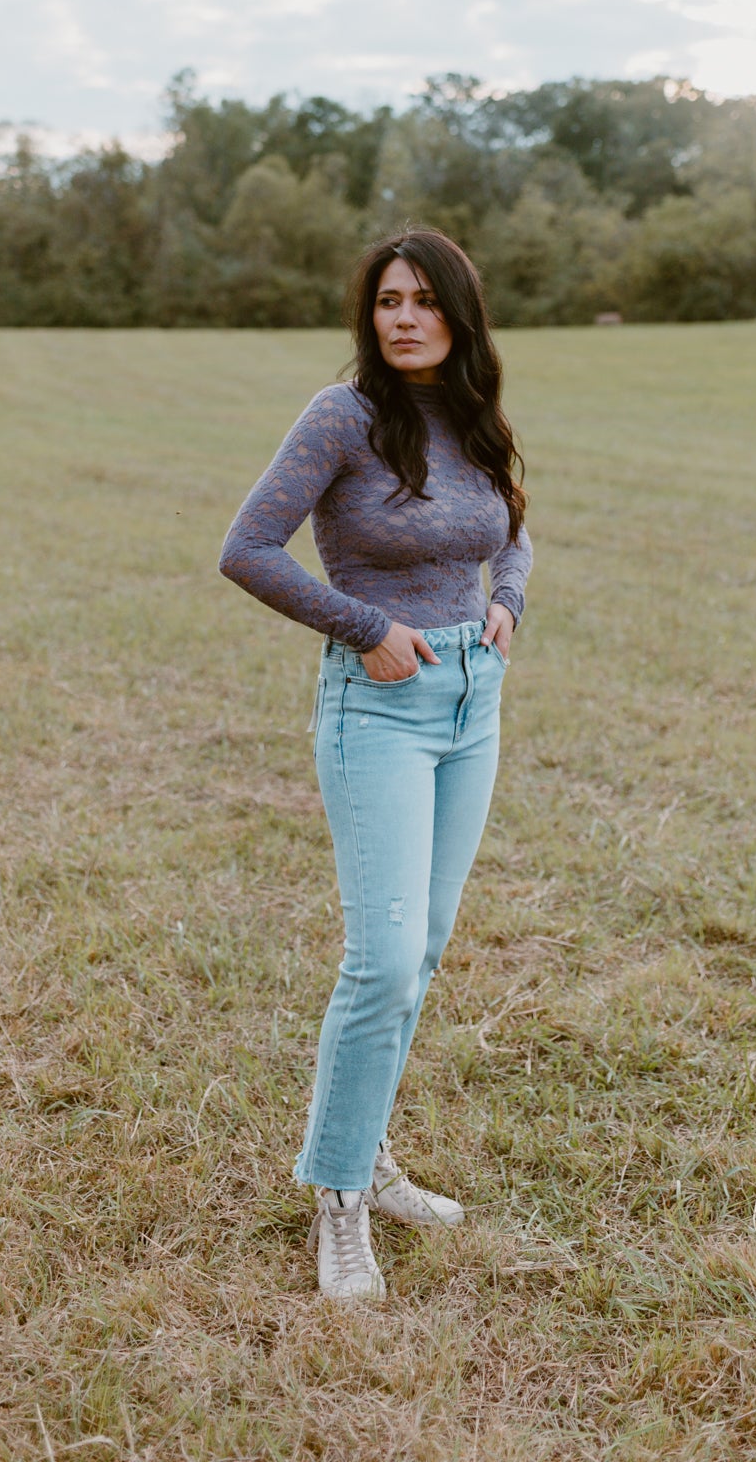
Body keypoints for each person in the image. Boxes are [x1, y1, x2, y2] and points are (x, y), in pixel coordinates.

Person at [218, 227, 533, 1301]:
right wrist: (362, 624)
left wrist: (505, 602)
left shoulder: (476, 416)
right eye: (387, 300)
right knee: (385, 958)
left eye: (424, 300)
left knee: (426, 951)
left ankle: (370, 1151)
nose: (402, 317)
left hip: (471, 699)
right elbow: (247, 547)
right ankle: (341, 1198)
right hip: (380, 703)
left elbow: (515, 528)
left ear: (457, 315)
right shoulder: (341, 416)